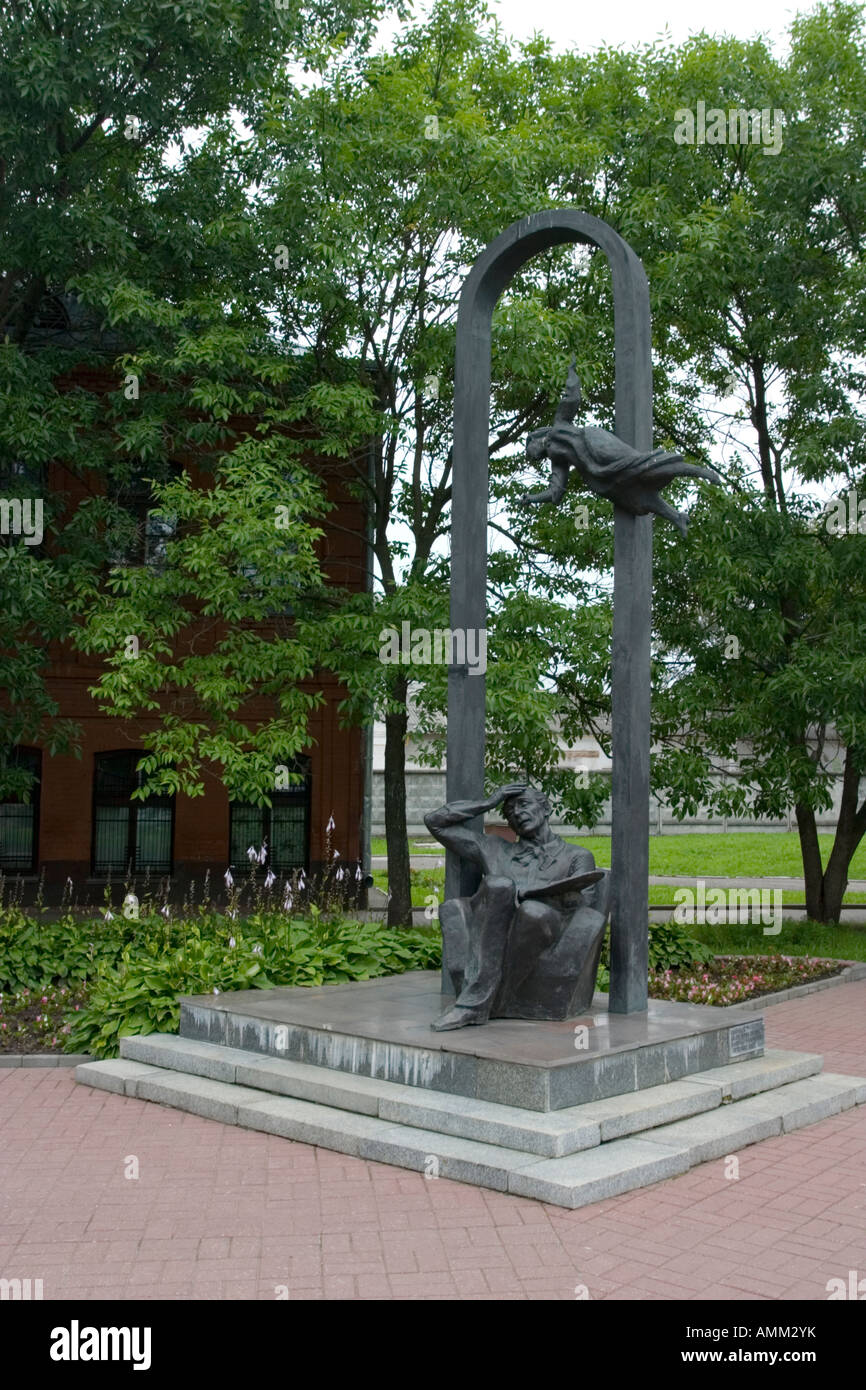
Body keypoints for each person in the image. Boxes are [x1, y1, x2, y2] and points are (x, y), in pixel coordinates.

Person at [424, 783, 609, 1030]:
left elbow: (584, 907)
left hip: (543, 925)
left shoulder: (576, 856)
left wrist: (548, 896)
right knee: (499, 886)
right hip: (493, 919)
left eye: (524, 805)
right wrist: (489, 802)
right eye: (509, 812)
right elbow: (434, 822)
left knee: (533, 912)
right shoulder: (494, 848)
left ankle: (480, 1004)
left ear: (546, 809)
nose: (517, 813)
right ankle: (479, 1004)